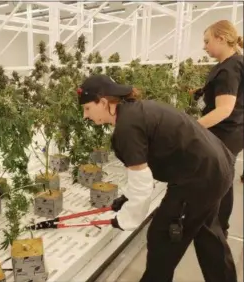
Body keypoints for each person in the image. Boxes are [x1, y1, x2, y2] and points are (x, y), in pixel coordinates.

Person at [77, 74, 237, 282]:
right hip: (219, 167)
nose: (85, 115)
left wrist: (125, 219)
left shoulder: (126, 129)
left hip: (197, 180)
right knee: (207, 231)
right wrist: (126, 197)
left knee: (162, 237)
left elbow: (142, 184)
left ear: (104, 102)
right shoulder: (137, 110)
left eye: (87, 108)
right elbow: (144, 170)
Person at [190, 20, 244, 237]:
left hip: (226, 132)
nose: (204, 46)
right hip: (235, 132)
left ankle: (216, 226)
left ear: (221, 39)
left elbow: (224, 110)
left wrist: (192, 127)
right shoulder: (234, 64)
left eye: (207, 41)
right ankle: (217, 224)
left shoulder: (229, 68)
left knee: (219, 179)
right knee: (224, 177)